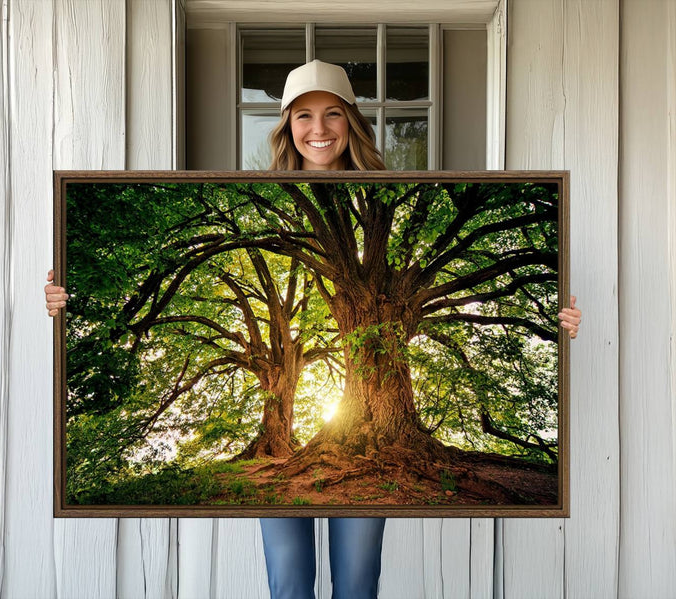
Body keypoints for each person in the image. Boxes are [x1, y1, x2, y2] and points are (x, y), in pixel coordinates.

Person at [44, 60, 582, 599]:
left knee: (356, 584)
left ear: (352, 122)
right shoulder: (259, 202)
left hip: (366, 446)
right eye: (304, 115)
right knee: (289, 584)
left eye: (332, 115)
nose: (319, 129)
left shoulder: (390, 196)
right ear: (286, 126)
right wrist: (68, 299)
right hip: (292, 463)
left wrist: (557, 320)